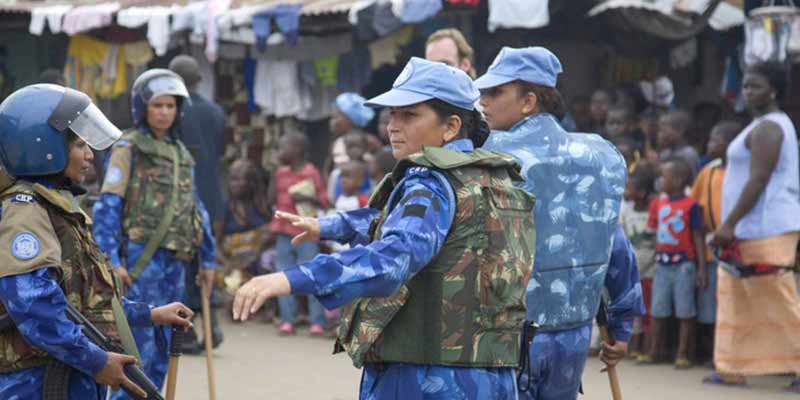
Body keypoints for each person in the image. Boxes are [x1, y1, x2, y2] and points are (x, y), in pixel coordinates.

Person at [233, 57, 536, 399]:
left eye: (409, 115)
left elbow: (393, 258)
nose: (392, 126)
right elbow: (403, 222)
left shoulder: (431, 183)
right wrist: (329, 226)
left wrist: (290, 278)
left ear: (450, 126)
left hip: (427, 377)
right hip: (494, 376)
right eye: (392, 114)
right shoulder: (493, 179)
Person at [0, 84, 193, 399]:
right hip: (33, 383)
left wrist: (151, 314)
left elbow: (87, 303)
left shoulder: (58, 210)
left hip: (68, 374)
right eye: (78, 145)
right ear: (43, 147)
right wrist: (95, 359)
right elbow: (33, 305)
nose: (90, 155)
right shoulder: (25, 213)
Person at [474, 46, 644, 399]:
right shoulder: (599, 154)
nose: (483, 101)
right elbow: (614, 245)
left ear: (529, 101)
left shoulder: (488, 157)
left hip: (510, 337)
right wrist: (621, 327)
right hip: (574, 334)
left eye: (495, 92)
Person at [92, 69, 217, 398]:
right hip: (138, 263)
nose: (164, 112)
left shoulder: (181, 154)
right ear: (142, 108)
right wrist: (112, 260)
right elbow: (108, 205)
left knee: (165, 348)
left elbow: (196, 209)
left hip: (176, 264)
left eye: (170, 106)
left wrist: (209, 260)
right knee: (136, 352)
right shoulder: (128, 147)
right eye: (157, 105)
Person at [706, 63, 800, 391]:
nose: (748, 92)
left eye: (755, 87)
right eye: (745, 86)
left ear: (773, 91)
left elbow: (759, 178)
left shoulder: (770, 128)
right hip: (749, 229)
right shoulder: (759, 125)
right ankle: (731, 366)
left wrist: (728, 224)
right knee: (734, 295)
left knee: (777, 295)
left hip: (766, 226)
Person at [168, 54, 227, 353]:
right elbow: (220, 151)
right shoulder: (216, 112)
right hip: (213, 194)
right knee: (207, 261)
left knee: (184, 264)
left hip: (182, 197)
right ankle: (212, 326)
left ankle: (189, 333)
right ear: (198, 80)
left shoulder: (174, 114)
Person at [642, 159, 706, 369]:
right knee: (658, 309)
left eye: (665, 177)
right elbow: (654, 233)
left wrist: (701, 269)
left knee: (685, 311)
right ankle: (654, 351)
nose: (661, 181)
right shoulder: (660, 203)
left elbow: (697, 237)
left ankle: (682, 354)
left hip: (684, 265)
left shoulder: (691, 205)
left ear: (678, 180)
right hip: (662, 263)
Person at [267, 133, 329, 336]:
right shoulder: (280, 173)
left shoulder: (311, 172)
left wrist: (305, 197)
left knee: (311, 273)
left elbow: (324, 201)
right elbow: (271, 198)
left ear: (298, 150)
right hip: (283, 231)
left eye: (284, 148)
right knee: (283, 275)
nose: (280, 152)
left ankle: (316, 321)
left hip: (305, 232)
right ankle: (287, 320)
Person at [689, 120, 741, 365]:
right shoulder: (707, 171)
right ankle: (717, 356)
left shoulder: (744, 171)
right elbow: (697, 221)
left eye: (715, 140)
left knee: (738, 305)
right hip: (711, 251)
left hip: (739, 250)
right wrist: (700, 264)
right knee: (711, 307)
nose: (709, 144)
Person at [217, 159, 271, 315]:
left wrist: (254, 255)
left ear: (251, 183)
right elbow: (215, 242)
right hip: (233, 262)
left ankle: (263, 306)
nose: (235, 184)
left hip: (256, 260)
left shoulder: (261, 206)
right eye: (232, 179)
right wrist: (227, 263)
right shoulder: (225, 207)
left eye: (240, 179)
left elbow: (269, 236)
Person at [620, 164, 658, 360]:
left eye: (631, 188)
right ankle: (633, 345)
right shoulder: (626, 213)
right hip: (633, 269)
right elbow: (624, 239)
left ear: (642, 192)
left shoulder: (653, 212)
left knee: (649, 309)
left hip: (650, 270)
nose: (627, 191)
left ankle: (647, 347)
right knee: (634, 307)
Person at [327, 93, 375, 177]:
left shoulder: (370, 141)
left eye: (334, 117)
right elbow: (328, 170)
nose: (331, 122)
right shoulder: (337, 143)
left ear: (349, 119)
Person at [657, 110, 701, 176]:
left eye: (664, 130)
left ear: (680, 131)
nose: (661, 135)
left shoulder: (689, 155)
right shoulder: (665, 153)